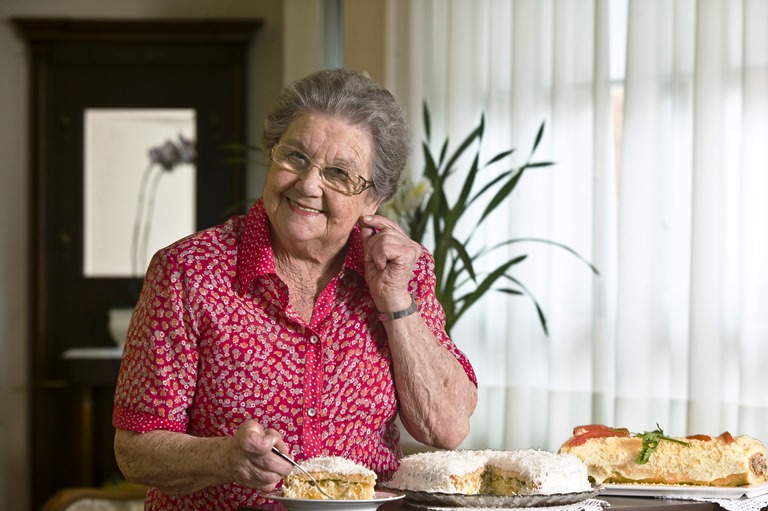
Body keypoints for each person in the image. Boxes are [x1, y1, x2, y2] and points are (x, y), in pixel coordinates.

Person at [112, 68, 478, 510]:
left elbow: (448, 427)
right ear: (272, 154)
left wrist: (396, 302)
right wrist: (224, 458)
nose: (308, 185)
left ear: (374, 199)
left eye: (339, 174)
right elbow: (134, 447)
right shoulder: (189, 272)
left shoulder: (399, 274)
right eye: (296, 158)